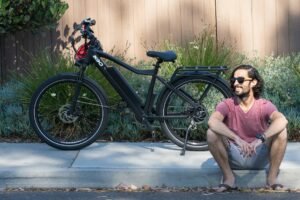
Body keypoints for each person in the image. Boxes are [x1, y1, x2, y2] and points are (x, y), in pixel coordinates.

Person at [207, 64, 288, 192]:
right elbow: (212, 121)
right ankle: (229, 179)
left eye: (240, 80)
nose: (235, 84)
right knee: (211, 133)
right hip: (234, 154)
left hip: (259, 154)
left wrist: (260, 139)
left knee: (282, 131)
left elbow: (282, 120)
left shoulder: (264, 105)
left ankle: (272, 180)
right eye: (233, 80)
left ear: (253, 83)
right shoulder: (227, 104)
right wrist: (237, 139)